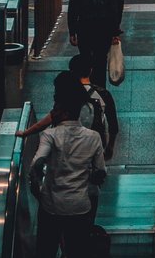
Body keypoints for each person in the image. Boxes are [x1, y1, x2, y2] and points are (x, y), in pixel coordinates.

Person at [29, 92, 107, 258]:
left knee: (46, 250)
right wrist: (86, 179)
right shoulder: (93, 137)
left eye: (55, 110)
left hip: (51, 206)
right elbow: (100, 172)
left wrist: (37, 189)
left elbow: (37, 163)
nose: (52, 113)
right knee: (77, 251)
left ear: (65, 113)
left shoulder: (50, 135)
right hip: (80, 206)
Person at [67, 0, 119, 86]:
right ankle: (100, 89)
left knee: (85, 58)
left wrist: (72, 32)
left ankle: (86, 86)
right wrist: (114, 32)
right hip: (103, 29)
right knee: (101, 60)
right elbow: (113, 11)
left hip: (84, 28)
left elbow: (73, 10)